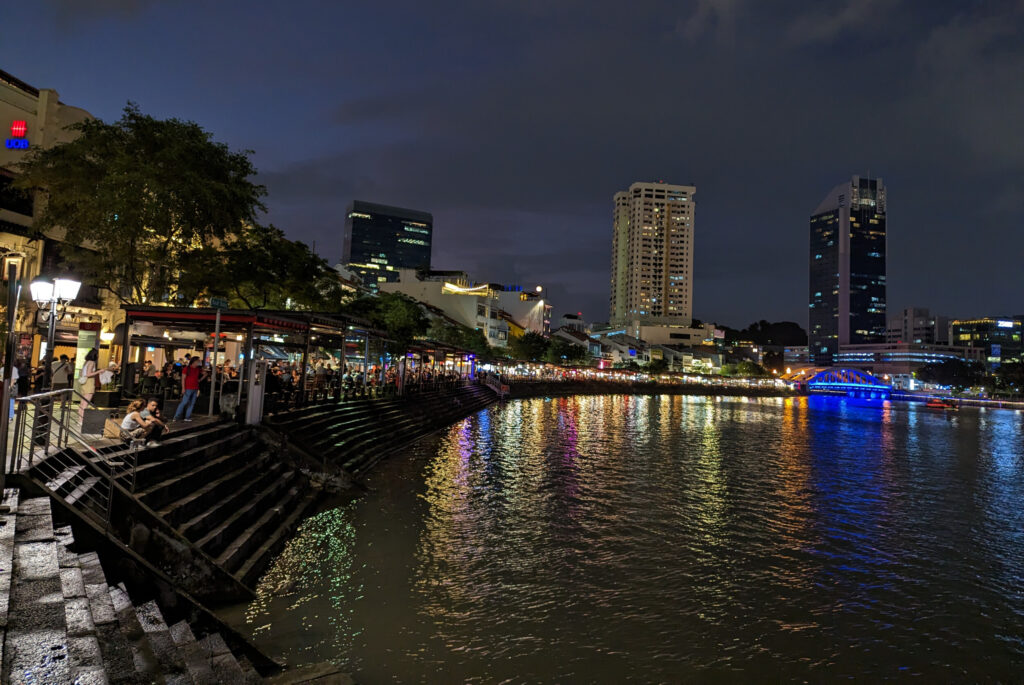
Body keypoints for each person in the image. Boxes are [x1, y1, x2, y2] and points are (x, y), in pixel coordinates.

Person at [174, 356, 208, 422]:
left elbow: (205, 373)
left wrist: (200, 380)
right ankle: (177, 416)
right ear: (194, 361)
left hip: (195, 387)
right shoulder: (187, 369)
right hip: (188, 388)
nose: (199, 362)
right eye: (198, 361)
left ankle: (187, 417)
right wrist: (183, 388)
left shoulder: (198, 369)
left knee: (192, 403)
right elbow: (183, 379)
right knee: (184, 402)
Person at [77, 349, 102, 423]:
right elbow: (88, 374)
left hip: (84, 383)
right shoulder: (92, 363)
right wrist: (99, 371)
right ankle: (82, 421)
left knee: (82, 402)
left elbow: (82, 373)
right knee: (85, 403)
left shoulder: (86, 362)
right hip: (89, 382)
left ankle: (79, 420)